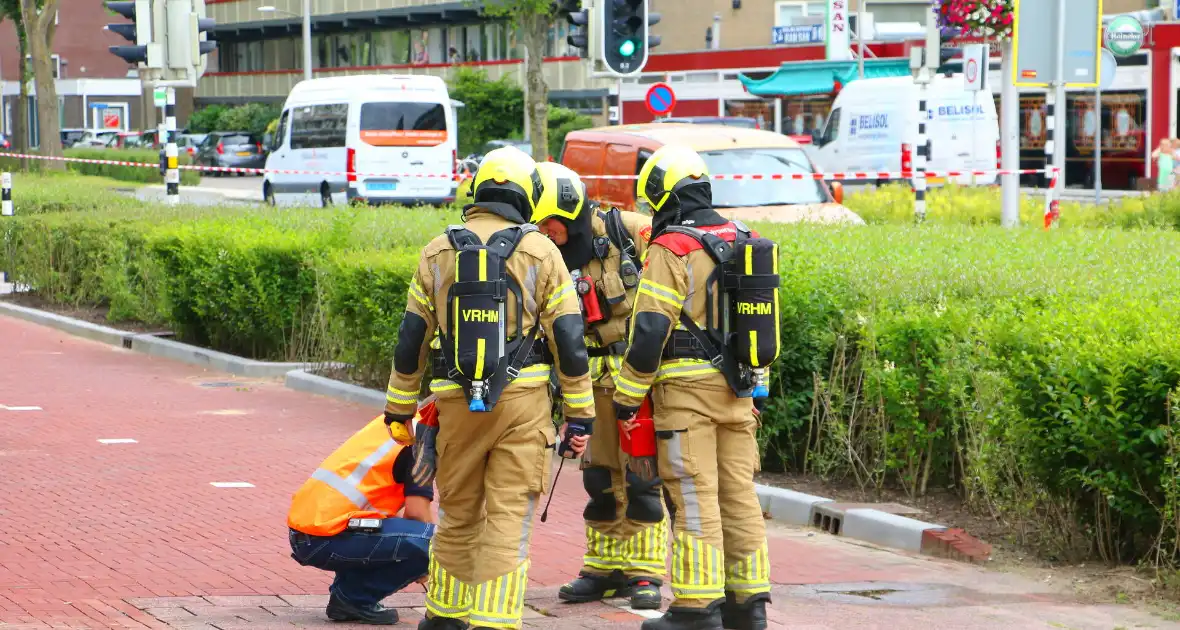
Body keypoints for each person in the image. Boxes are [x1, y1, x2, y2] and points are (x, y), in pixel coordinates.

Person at [382, 145, 596, 630]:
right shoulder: (541, 250)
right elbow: (568, 339)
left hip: (455, 403)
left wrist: (399, 408)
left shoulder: (437, 251)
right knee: (507, 517)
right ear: (527, 196)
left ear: (478, 192)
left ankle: (444, 616)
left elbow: (411, 338)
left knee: (457, 512)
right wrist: (579, 413)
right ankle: (494, 621)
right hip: (522, 405)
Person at [614, 144, 778, 630]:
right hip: (740, 392)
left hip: (686, 397)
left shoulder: (672, 248)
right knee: (740, 497)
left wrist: (626, 396)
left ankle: (694, 608)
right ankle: (749, 606)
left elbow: (647, 333)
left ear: (663, 195)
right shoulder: (747, 238)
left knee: (694, 496)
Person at [529, 162, 665, 610]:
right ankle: (604, 568)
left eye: (550, 223)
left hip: (641, 382)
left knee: (641, 477)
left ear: (570, 211)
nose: (546, 232)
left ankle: (645, 572)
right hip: (591, 383)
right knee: (599, 479)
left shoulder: (632, 233)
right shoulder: (546, 254)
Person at [287, 399, 440, 625]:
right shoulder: (419, 442)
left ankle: (346, 596)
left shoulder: (398, 424)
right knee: (437, 543)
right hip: (326, 535)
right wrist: (430, 564)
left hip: (313, 532)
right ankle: (355, 598)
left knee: (398, 535)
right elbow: (417, 514)